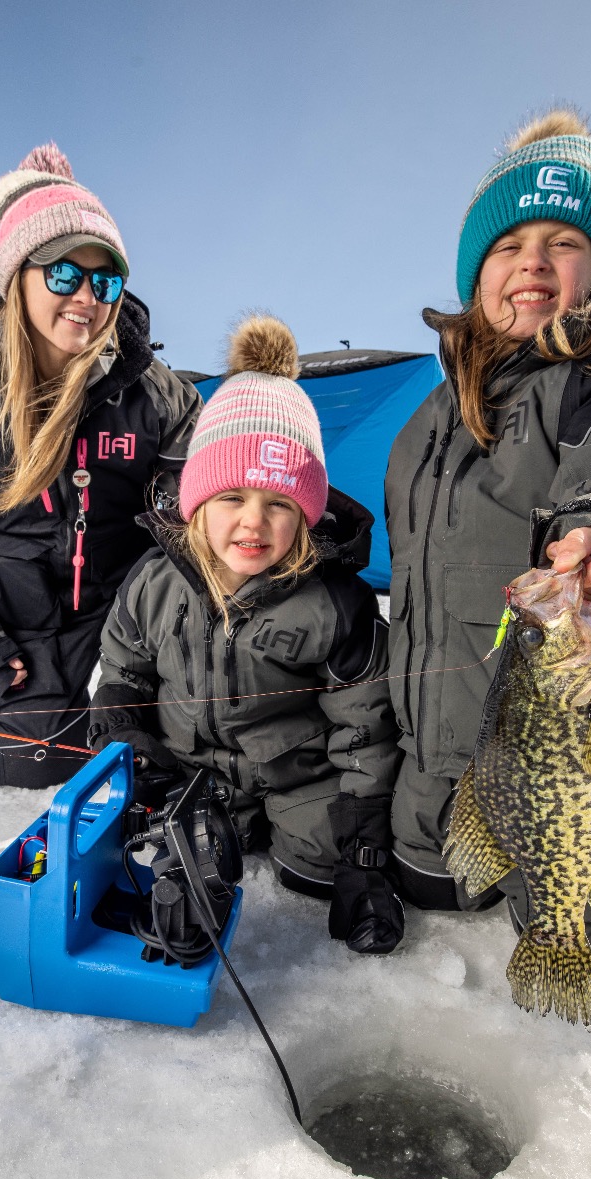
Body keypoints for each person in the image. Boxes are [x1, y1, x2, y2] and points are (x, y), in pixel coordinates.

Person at [384, 111, 591, 928]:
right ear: (475, 273)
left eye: (562, 243)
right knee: (423, 889)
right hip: (437, 752)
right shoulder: (424, 419)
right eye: (508, 244)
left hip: (569, 746)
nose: (532, 262)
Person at [88, 316, 405, 955]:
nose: (252, 523)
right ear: (197, 501)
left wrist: (365, 854)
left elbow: (365, 727)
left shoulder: (335, 602)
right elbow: (123, 674)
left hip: (299, 781)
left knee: (313, 873)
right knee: (169, 868)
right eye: (231, 497)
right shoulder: (154, 582)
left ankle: (331, 858)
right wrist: (129, 740)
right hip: (191, 778)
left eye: (279, 503)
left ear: (307, 514)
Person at [0, 143, 201, 789]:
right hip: (24, 620)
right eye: (63, 273)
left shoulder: (160, 395)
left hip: (130, 616)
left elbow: (190, 522)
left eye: (104, 279)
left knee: (162, 760)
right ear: (16, 280)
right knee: (27, 764)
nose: (86, 295)